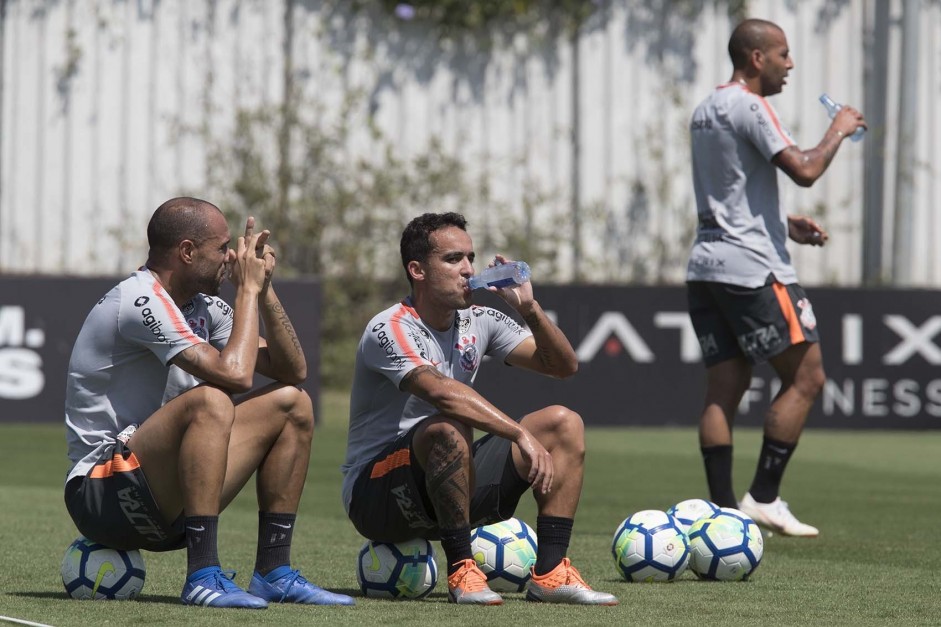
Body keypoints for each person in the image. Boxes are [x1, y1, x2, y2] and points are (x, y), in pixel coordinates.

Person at [63, 197, 354, 608]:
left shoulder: (204, 308)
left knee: (293, 403)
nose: (231, 257)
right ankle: (202, 574)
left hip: (165, 499)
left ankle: (274, 571)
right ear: (186, 251)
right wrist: (247, 290)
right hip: (101, 495)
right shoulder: (140, 300)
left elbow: (293, 370)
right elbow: (236, 376)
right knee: (211, 400)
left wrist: (264, 290)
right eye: (222, 248)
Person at [341, 212, 618, 606]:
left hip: (448, 478)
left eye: (470, 257)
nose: (469, 269)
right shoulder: (389, 327)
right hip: (377, 495)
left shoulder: (479, 320)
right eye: (453, 259)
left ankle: (551, 574)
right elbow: (443, 393)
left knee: (562, 423)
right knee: (448, 427)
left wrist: (529, 308)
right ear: (417, 270)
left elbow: (563, 366)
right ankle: (462, 571)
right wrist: (519, 434)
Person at [685, 19, 867, 537]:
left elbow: (729, 190)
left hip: (706, 265)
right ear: (756, 58)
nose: (791, 64)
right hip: (753, 269)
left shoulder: (705, 109)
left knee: (725, 386)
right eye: (784, 54)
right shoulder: (750, 105)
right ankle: (764, 497)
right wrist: (841, 127)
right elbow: (805, 169)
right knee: (807, 377)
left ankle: (722, 516)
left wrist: (783, 223)